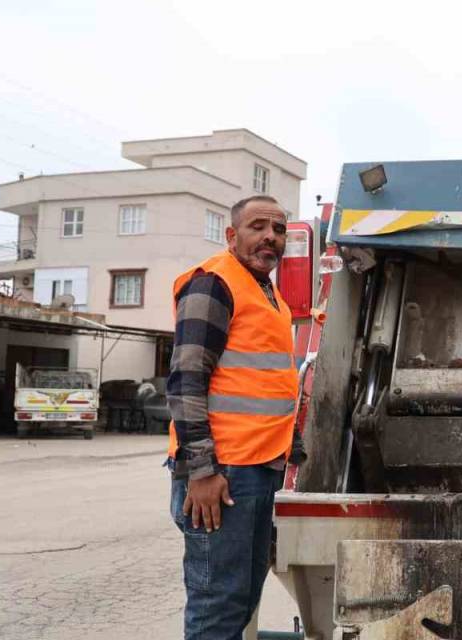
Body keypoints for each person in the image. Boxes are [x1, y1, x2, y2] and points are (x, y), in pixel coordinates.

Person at [166, 194, 306, 639]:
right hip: (223, 474)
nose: (270, 237)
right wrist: (202, 471)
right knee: (217, 606)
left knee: (242, 599)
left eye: (279, 230)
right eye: (258, 226)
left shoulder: (270, 296)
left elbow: (260, 384)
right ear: (232, 235)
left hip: (258, 469)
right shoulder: (214, 283)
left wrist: (293, 448)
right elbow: (186, 381)